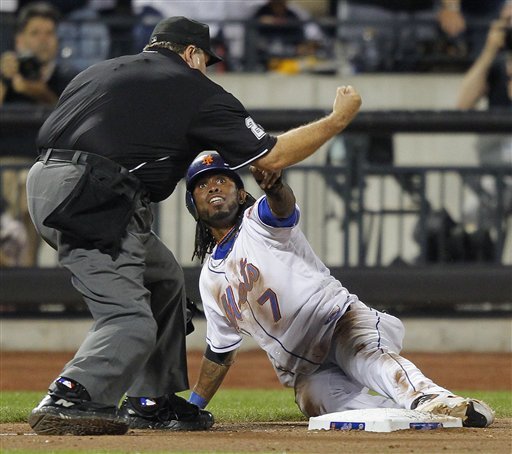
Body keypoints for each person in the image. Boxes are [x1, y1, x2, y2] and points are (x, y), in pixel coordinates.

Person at [25, 15, 362, 435]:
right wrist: (337, 120)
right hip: (93, 196)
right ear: (190, 54)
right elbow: (273, 157)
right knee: (130, 319)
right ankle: (70, 394)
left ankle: (150, 399)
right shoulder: (195, 89)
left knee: (163, 279)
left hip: (50, 181)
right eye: (205, 59)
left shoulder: (100, 71)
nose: (206, 68)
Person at [184, 151, 494, 428]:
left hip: (337, 321)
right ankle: (411, 417)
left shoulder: (258, 222)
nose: (213, 187)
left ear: (241, 194)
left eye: (222, 180)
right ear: (193, 206)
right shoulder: (210, 279)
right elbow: (219, 353)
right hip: (305, 367)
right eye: (202, 185)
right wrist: (192, 408)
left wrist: (275, 187)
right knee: (317, 401)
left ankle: (436, 400)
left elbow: (281, 208)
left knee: (367, 357)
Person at [0, 2, 77, 267]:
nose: (42, 40)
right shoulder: (5, 74)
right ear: (19, 40)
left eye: (49, 33)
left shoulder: (66, 77)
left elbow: (69, 114)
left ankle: (25, 276)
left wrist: (34, 90)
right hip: (5, 164)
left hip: (44, 167)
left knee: (30, 187)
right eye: (35, 33)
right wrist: (4, 80)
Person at [456, 2, 512, 258]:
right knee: (472, 216)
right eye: (507, 20)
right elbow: (463, 104)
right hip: (496, 171)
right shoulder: (496, 62)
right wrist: (489, 50)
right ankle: (478, 272)